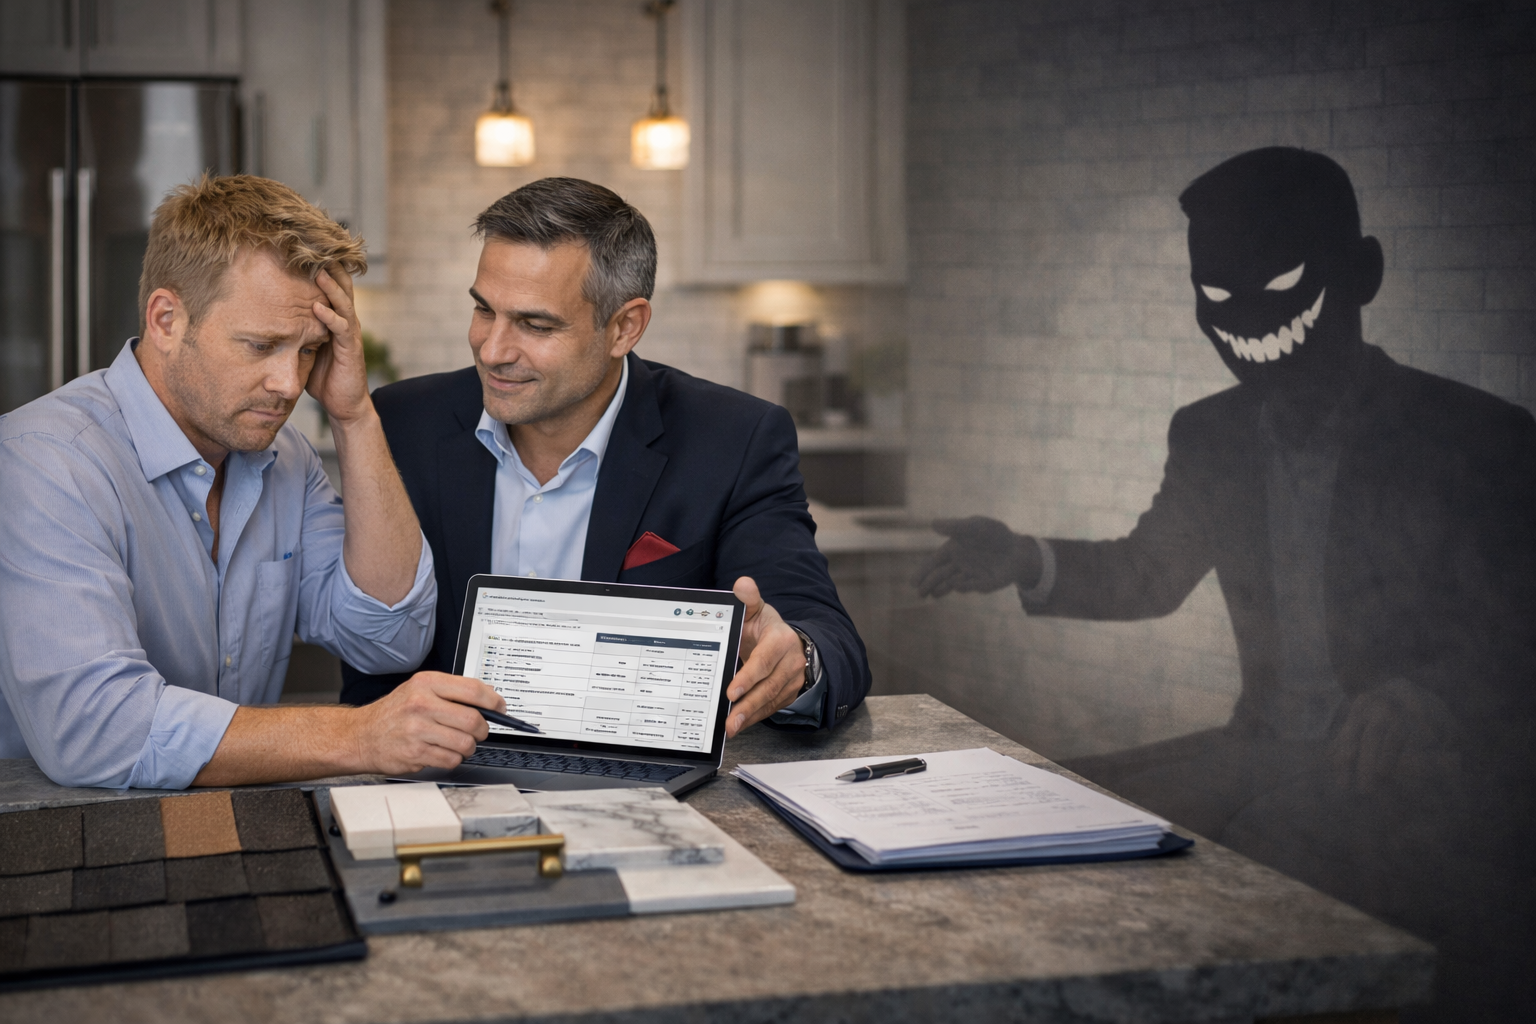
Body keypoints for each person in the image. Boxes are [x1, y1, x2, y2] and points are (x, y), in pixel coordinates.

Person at [916, 147, 1536, 1021]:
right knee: (1038, 808)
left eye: (1279, 282)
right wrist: (1023, 555)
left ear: (1361, 274)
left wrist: (1429, 696)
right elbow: (1150, 572)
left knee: (1244, 864)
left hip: (1420, 779)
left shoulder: (1476, 438)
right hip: (1260, 744)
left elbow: (1520, 635)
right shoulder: (1212, 433)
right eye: (1215, 297)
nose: (1244, 317)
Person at [0, 175, 509, 790]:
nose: (290, 384)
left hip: (236, 820)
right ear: (166, 319)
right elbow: (96, 729)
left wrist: (353, 414)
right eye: (262, 345)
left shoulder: (285, 458)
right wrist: (362, 736)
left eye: (308, 350)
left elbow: (389, 640)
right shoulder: (45, 462)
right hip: (59, 842)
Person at [340, 177, 870, 737]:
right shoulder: (399, 423)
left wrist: (798, 660)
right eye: (483, 310)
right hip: (431, 775)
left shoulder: (734, 438)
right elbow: (369, 658)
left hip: (642, 787)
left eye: (535, 324)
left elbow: (826, 635)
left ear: (625, 327)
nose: (492, 350)